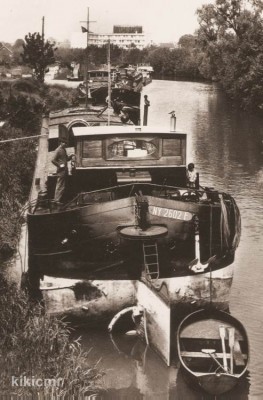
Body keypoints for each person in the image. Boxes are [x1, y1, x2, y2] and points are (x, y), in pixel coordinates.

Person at [52, 139, 74, 204]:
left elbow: (66, 159)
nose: (65, 144)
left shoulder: (63, 149)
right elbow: (53, 160)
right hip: (61, 171)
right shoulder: (58, 150)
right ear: (61, 143)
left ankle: (58, 199)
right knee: (60, 185)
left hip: (64, 170)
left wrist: (71, 156)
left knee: (62, 185)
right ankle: (56, 200)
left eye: (65, 143)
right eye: (63, 142)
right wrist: (59, 165)